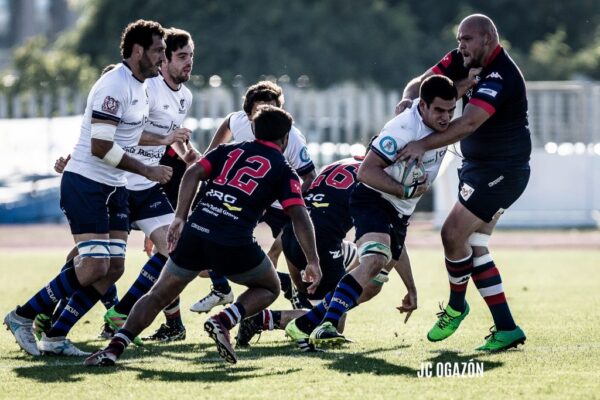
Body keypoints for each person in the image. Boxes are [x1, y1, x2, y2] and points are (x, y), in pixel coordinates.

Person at [84, 105, 321, 366]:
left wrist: (180, 217)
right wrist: (313, 260)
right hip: (234, 243)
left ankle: (114, 348)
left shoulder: (228, 151)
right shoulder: (283, 170)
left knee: (157, 295)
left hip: (195, 233)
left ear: (253, 129)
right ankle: (224, 320)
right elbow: (299, 216)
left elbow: (193, 171)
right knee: (270, 286)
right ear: (286, 138)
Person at [3, 20, 170, 356]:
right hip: (87, 184)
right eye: (158, 51)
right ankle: (22, 315)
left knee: (113, 269)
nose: (162, 59)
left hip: (114, 188)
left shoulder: (143, 86)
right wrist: (146, 169)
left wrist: (164, 140)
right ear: (137, 50)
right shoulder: (114, 85)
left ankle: (55, 336)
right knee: (93, 266)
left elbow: (129, 132)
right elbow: (101, 147)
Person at [44, 29, 198, 345]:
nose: (189, 63)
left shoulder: (185, 96)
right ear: (164, 59)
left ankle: (124, 312)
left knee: (176, 247)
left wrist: (192, 157)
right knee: (89, 260)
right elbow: (117, 135)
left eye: (191, 56)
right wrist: (74, 159)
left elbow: (170, 136)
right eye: (182, 56)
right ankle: (48, 313)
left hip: (149, 186)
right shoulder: (145, 87)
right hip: (123, 184)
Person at [285, 75, 458, 346]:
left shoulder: (441, 118)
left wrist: (411, 288)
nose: (446, 117)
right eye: (439, 110)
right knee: (374, 260)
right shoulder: (401, 129)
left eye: (451, 110)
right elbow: (365, 171)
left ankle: (305, 322)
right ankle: (327, 325)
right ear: (422, 106)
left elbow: (429, 76)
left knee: (374, 282)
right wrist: (405, 191)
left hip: (401, 211)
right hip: (374, 199)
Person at [396, 14, 531, 352]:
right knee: (473, 244)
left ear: (487, 39)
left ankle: (457, 306)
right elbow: (422, 83)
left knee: (452, 234)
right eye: (458, 40)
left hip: (502, 170)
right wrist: (409, 101)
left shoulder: (501, 74)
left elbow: (470, 122)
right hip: (476, 168)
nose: (460, 47)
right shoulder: (462, 59)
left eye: (466, 40)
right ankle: (507, 328)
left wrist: (422, 144)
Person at [189, 81, 317, 314]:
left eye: (273, 108)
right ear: (248, 114)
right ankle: (224, 288)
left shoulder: (291, 137)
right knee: (205, 257)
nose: (267, 114)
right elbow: (218, 141)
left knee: (294, 256)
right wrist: (209, 157)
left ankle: (300, 299)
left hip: (279, 203)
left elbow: (309, 176)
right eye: (260, 110)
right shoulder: (237, 120)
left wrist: (293, 203)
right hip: (247, 198)